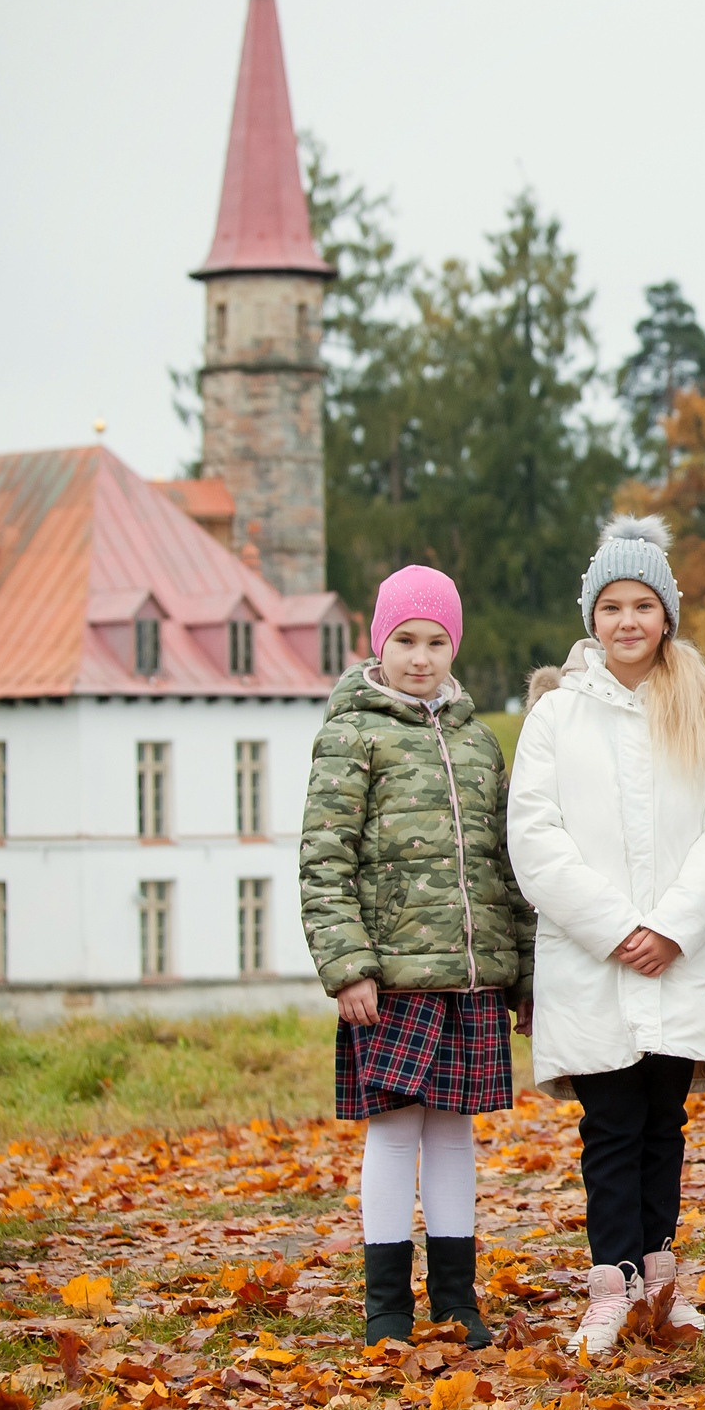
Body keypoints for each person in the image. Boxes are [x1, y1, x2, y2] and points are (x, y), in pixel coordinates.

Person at [510, 516, 705, 1357]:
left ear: (666, 616)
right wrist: (619, 928)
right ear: (592, 615)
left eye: (643, 605)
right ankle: (609, 1284)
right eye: (612, 605)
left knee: (664, 1121)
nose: (627, 621)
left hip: (677, 957)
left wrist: (673, 926)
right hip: (595, 960)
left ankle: (661, 1281)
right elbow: (535, 837)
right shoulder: (556, 717)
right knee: (609, 1125)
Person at [300, 565, 532, 1348]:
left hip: (469, 974)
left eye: (436, 641)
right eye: (405, 639)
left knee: (454, 1133)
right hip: (391, 974)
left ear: (454, 646)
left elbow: (506, 863)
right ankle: (386, 1306)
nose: (422, 656)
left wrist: (523, 970)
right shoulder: (352, 731)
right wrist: (347, 965)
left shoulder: (475, 739)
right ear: (380, 641)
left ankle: (457, 1299)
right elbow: (324, 857)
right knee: (394, 1130)